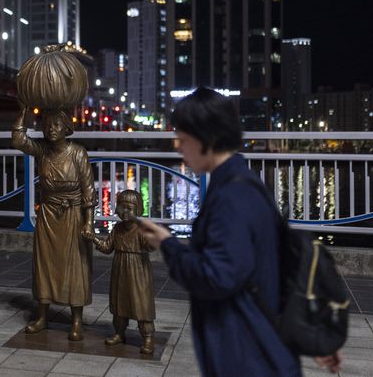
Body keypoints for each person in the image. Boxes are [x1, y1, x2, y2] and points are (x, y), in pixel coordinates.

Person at [139, 87, 342, 376]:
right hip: (259, 346)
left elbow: (217, 276)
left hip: (246, 353)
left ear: (205, 138)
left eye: (182, 139)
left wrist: (168, 245)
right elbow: (279, 267)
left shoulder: (231, 198)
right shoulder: (246, 184)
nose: (178, 147)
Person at [12, 106, 95, 341]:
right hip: (48, 213)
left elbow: (88, 190)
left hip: (72, 213)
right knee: (45, 264)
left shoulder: (78, 153)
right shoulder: (43, 151)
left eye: (57, 124)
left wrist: (88, 222)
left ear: (67, 128)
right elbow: (19, 139)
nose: (51, 129)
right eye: (47, 125)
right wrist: (23, 113)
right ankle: (42, 315)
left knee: (75, 265)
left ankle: (76, 319)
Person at [89, 189, 155, 354]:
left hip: (138, 270)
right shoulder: (117, 228)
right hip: (120, 268)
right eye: (121, 207)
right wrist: (93, 238)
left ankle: (147, 338)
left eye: (129, 208)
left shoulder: (141, 229)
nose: (124, 212)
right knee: (118, 302)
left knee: (141, 303)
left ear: (138, 210)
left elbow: (151, 246)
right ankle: (119, 333)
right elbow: (106, 248)